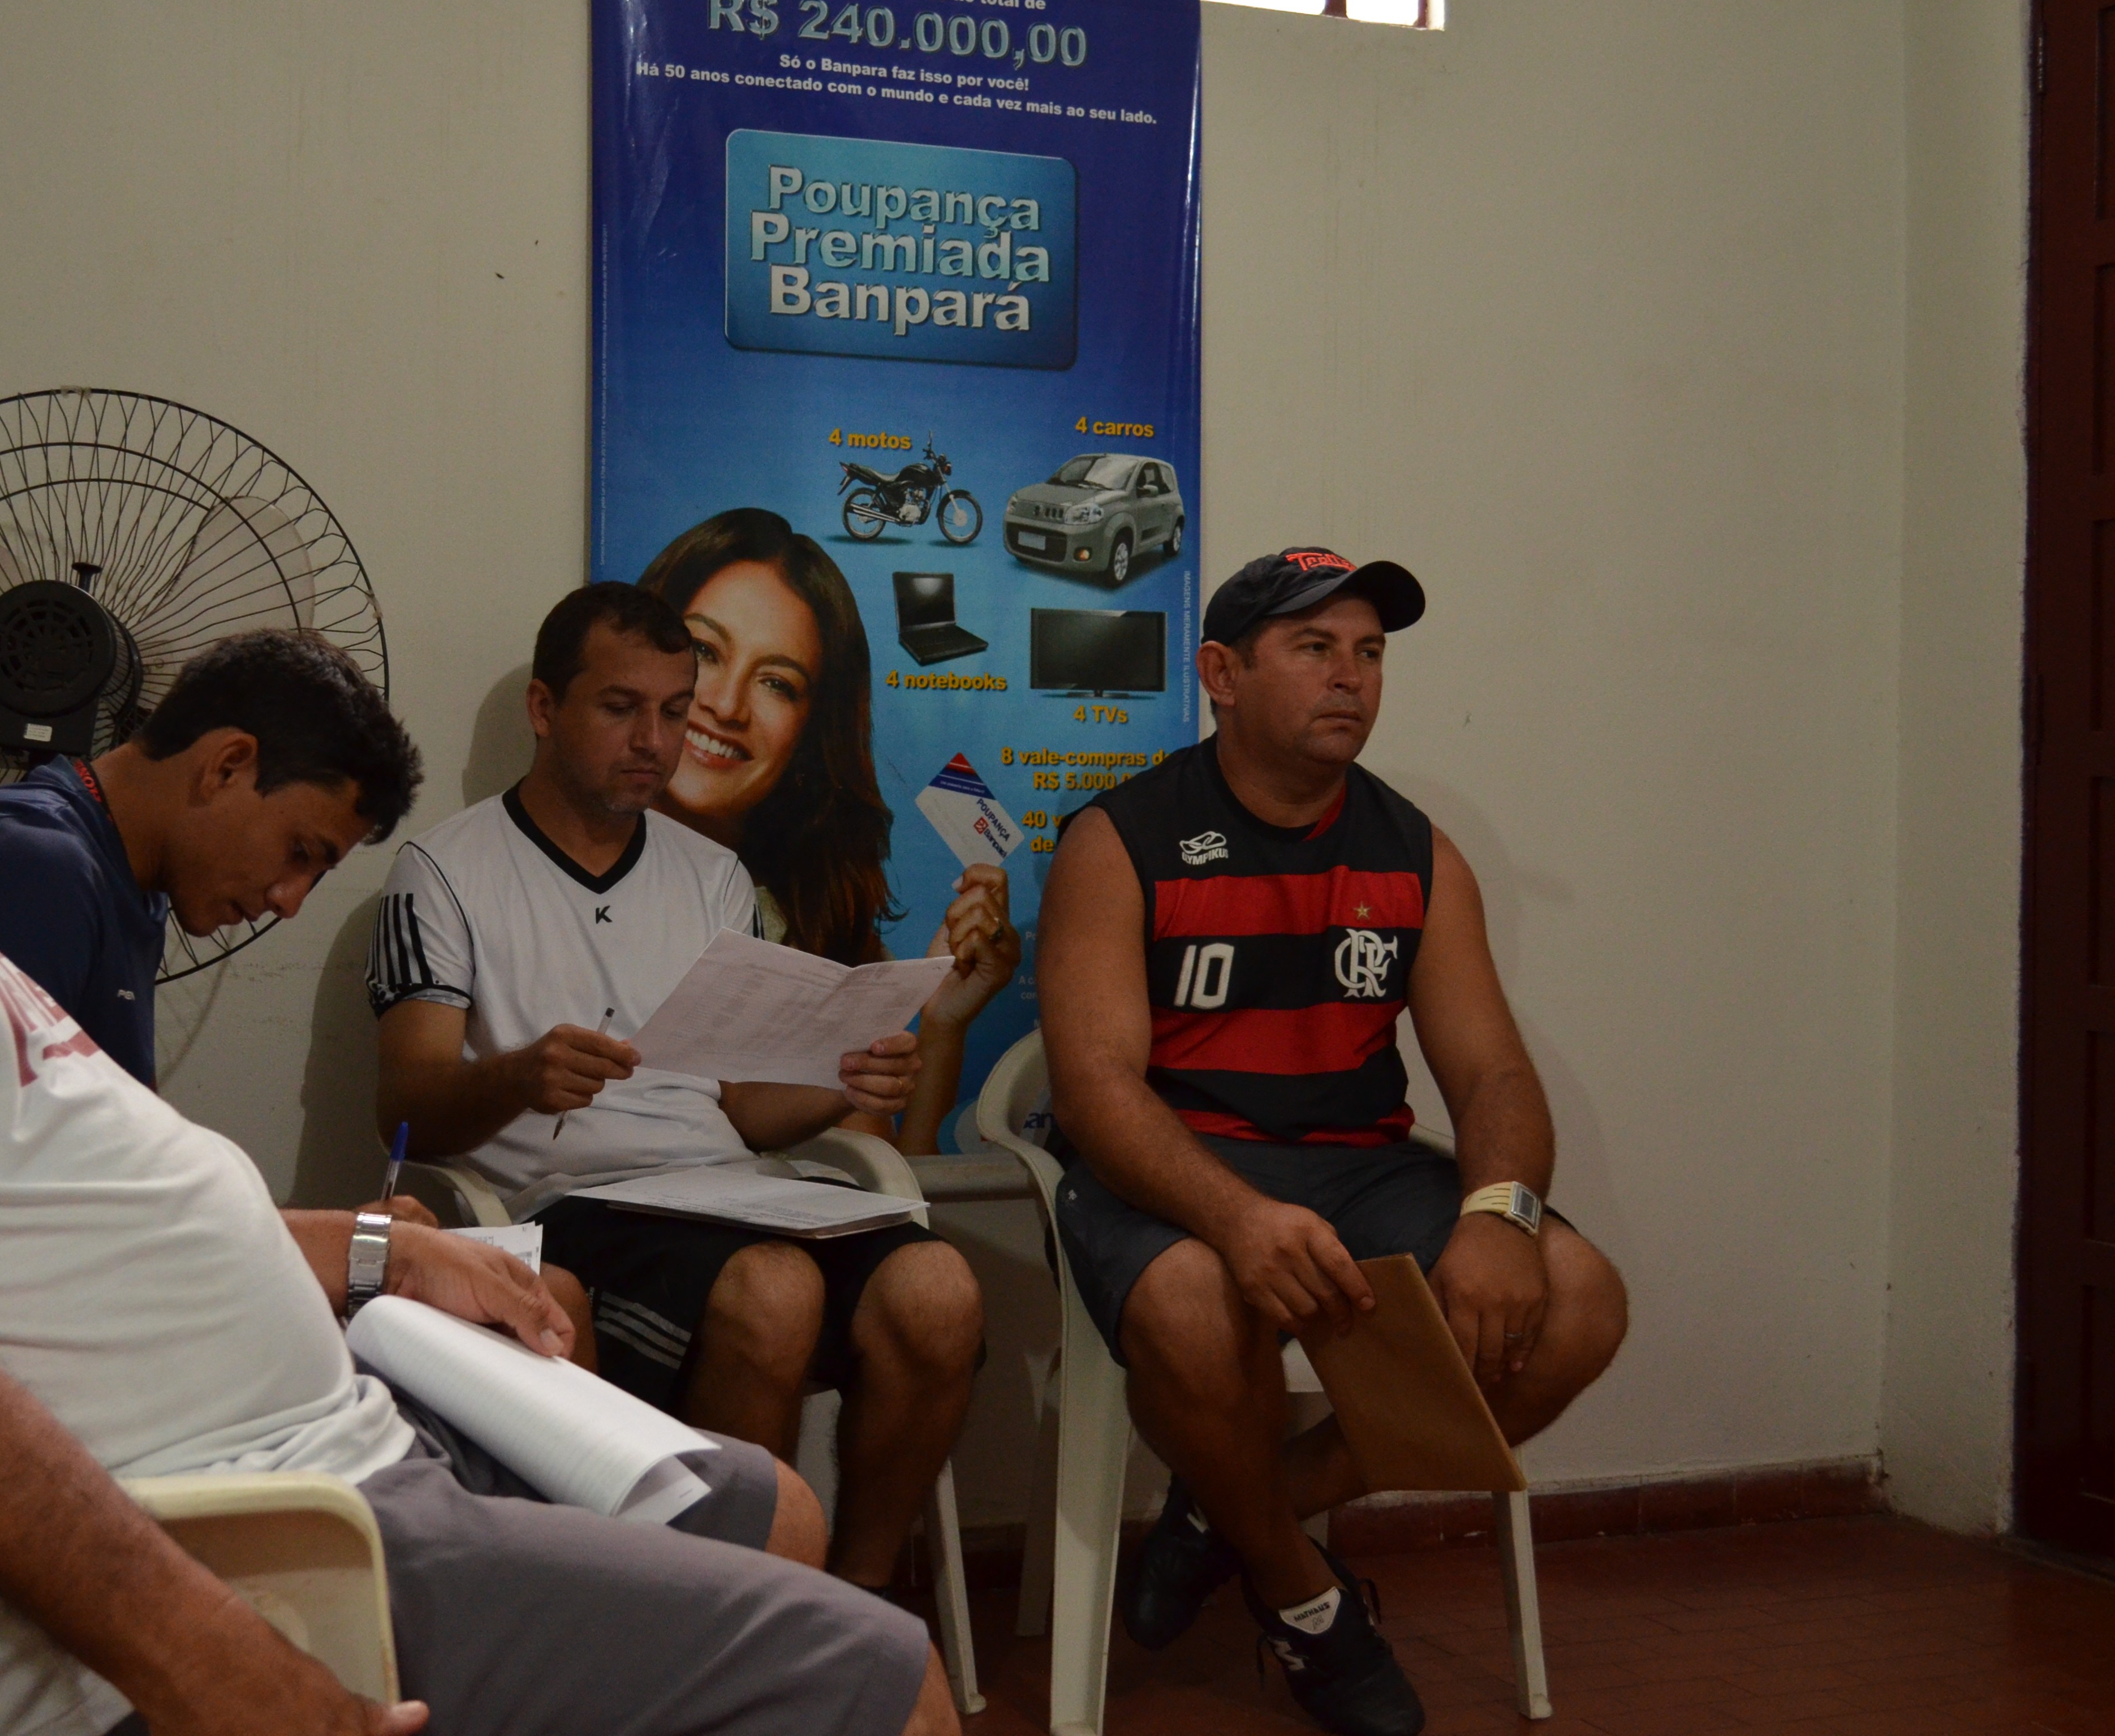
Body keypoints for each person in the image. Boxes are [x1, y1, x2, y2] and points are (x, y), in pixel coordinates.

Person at [0, 340, 959, 1736]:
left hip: (315, 1436)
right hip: (252, 1540)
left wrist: (386, 1255)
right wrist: (211, 1658)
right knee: (889, 1682)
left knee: (770, 1511)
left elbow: (37, 1203)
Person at [1036, 546, 1630, 1736]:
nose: (1350, 679)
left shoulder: (1413, 850)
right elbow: (1097, 1089)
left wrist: (1500, 1216)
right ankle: (1302, 1600)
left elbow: (1491, 1070)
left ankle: (1231, 1511)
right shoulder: (1122, 837)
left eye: (1368, 654)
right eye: (1313, 649)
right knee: (1199, 1304)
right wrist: (1235, 1216)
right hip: (1172, 1165)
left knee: (1579, 1305)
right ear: (1221, 672)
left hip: (1357, 1166)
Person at [367, 583, 983, 1591]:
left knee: (939, 1288)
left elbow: (740, 1107)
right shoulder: (443, 869)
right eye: (620, 707)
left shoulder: (711, 874)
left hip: (725, 1192)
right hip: (566, 1207)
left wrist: (839, 1083)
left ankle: (849, 1603)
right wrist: (520, 1076)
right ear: (543, 707)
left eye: (672, 709)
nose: (654, 738)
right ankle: (714, 1620)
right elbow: (405, 1105)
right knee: (774, 1288)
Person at [637, 508, 1020, 1153]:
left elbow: (887, 1182)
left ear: (812, 732)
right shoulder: (561, 882)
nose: (727, 706)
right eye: (704, 651)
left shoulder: (821, 935)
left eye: (776, 684)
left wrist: (940, 1026)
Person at [0, 631, 419, 1089]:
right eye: (300, 853)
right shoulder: (26, 865)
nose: (289, 903)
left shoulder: (138, 887)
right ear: (226, 767)